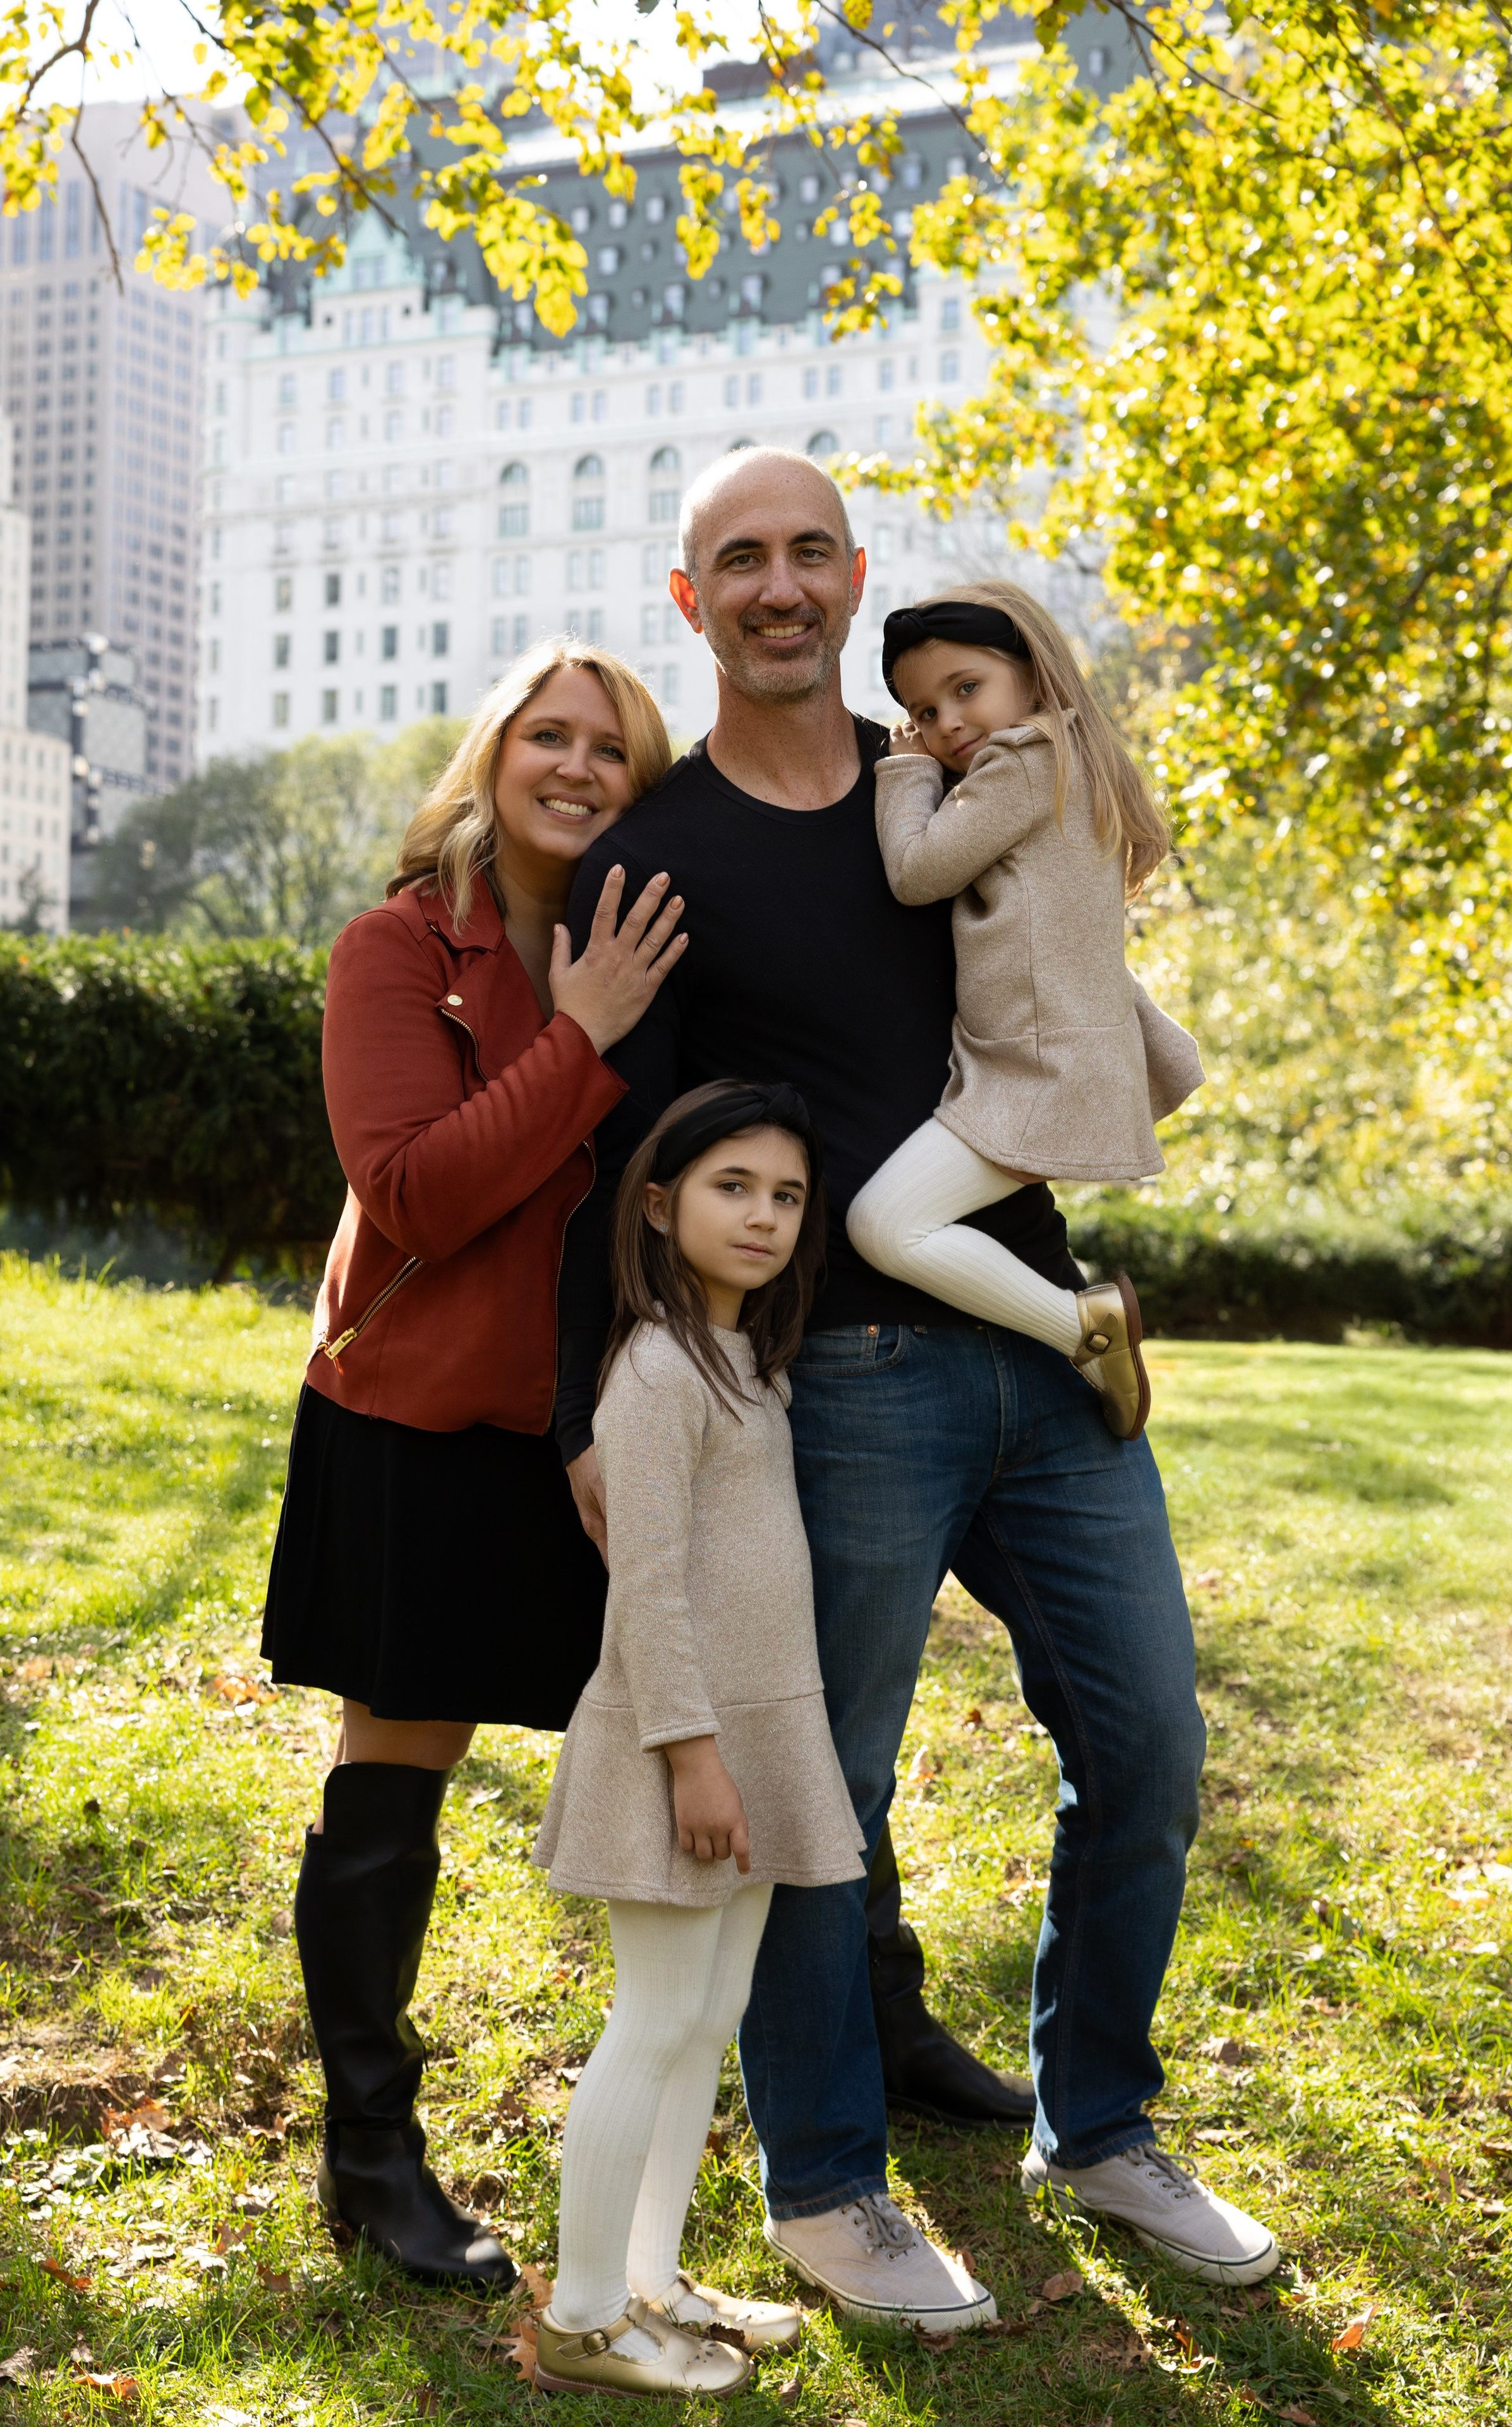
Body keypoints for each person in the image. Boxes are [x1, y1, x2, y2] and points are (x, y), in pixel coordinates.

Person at [555, 448, 1281, 2327]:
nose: (780, 586)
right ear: (689, 597)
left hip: (1043, 1331)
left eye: (811, 554)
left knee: (1150, 1747)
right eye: (741, 561)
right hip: (848, 1378)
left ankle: (1101, 2125)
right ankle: (825, 2187)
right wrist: (593, 1413)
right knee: (827, 1788)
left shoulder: (961, 764)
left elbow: (1067, 988)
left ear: (855, 572)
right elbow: (623, 1157)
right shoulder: (663, 851)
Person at [261, 639, 687, 2290]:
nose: (579, 767)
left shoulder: (656, 947)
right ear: (494, 754)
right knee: (397, 1773)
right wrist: (580, 1036)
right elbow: (419, 1190)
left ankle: (802, 2095)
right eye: (551, 736)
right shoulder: (396, 948)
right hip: (422, 1423)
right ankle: (372, 2156)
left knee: (721, 1740)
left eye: (616, 751)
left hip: (603, 1428)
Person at [531, 1080, 948, 2394]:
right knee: (653, 2017)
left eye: (785, 1197)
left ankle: (650, 2282)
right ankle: (584, 2317)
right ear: (657, 1207)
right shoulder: (657, 1370)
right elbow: (645, 1586)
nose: (763, 1216)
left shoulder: (742, 1365)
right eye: (731, 1188)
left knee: (709, 2015)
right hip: (683, 1749)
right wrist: (692, 1754)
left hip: (758, 1740)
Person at [846, 584, 1206, 1440]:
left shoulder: (1025, 762)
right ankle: (1071, 1333)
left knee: (885, 1225)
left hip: (1039, 1070)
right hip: (1051, 1055)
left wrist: (903, 768)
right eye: (923, 711)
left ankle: (1085, 1326)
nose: (946, 723)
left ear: (1032, 673)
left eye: (966, 689)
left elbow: (917, 870)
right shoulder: (1069, 760)